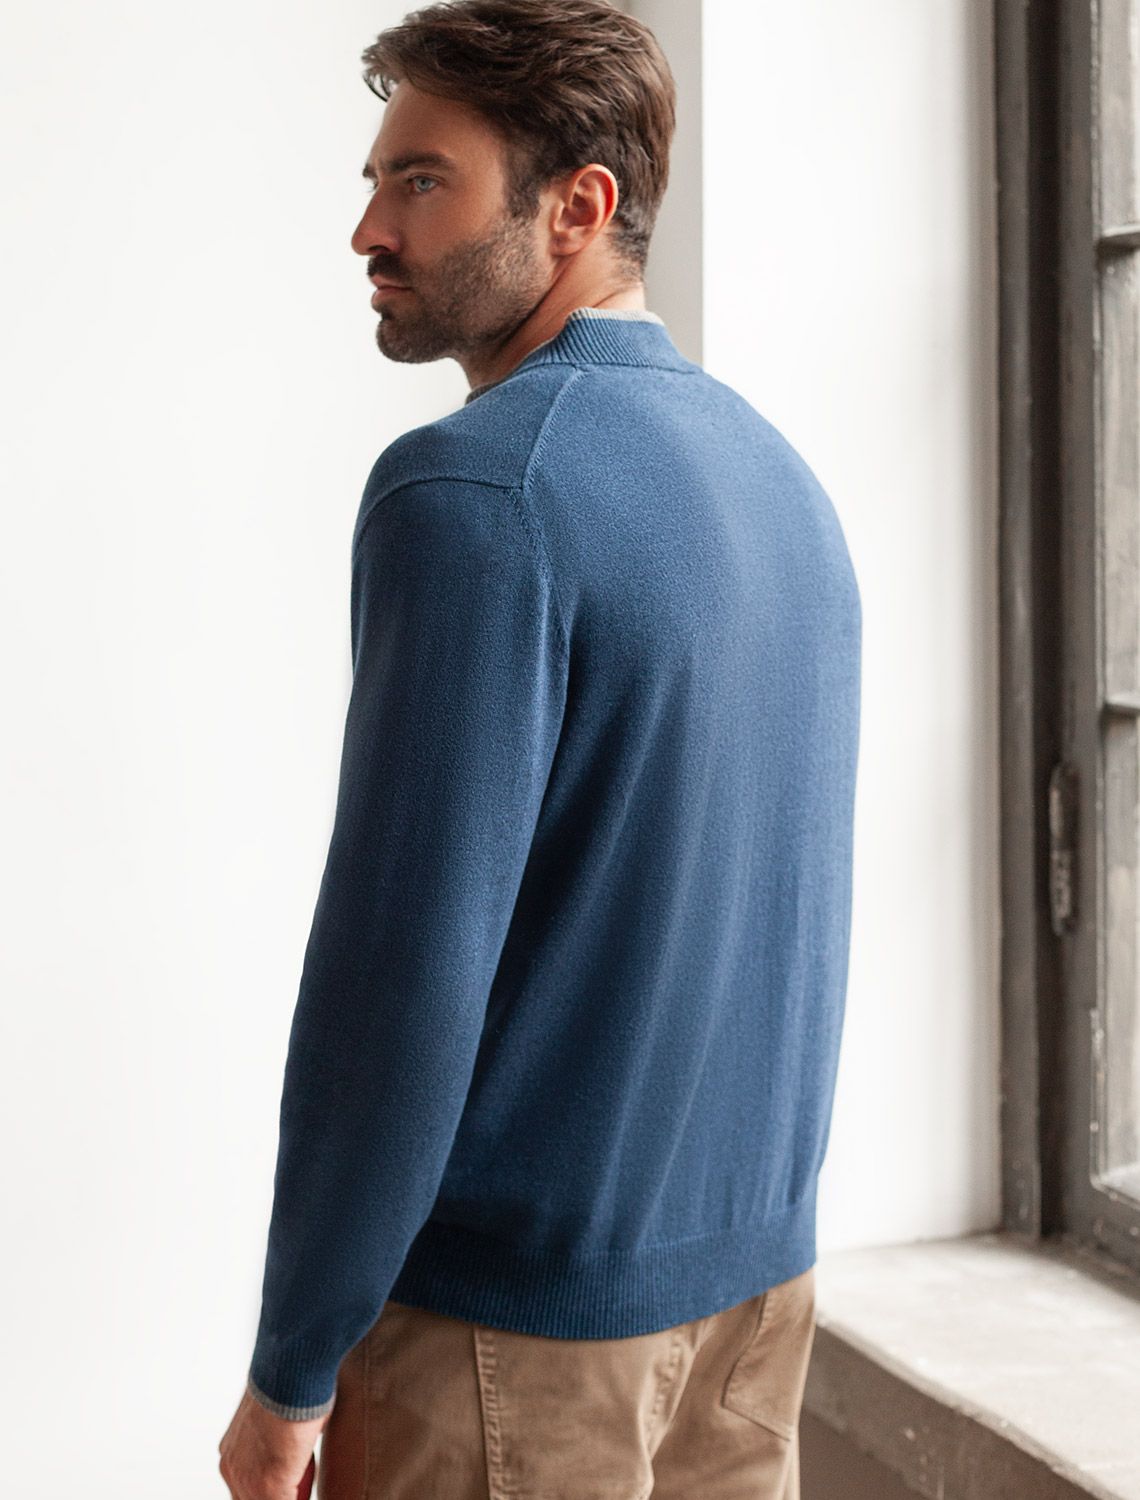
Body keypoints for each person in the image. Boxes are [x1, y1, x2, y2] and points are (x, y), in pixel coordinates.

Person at [217, 2, 862, 1497]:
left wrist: (293, 1361)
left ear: (576, 207)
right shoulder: (783, 482)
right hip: (753, 1303)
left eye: (422, 180)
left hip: (512, 1339)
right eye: (376, 181)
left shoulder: (473, 493)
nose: (370, 229)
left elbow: (401, 972)